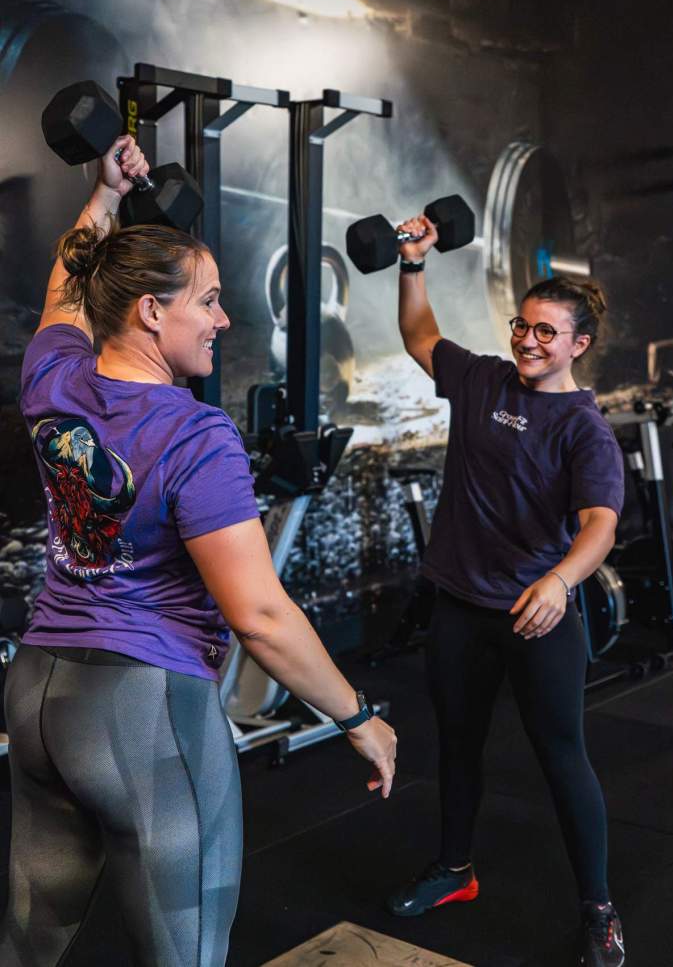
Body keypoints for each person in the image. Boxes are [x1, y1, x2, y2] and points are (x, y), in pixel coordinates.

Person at [0, 136, 396, 967]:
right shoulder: (194, 432)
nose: (224, 319)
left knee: (31, 941)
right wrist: (358, 716)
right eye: (208, 302)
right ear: (150, 308)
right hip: (142, 709)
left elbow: (64, 290)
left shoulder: (52, 376)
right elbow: (258, 614)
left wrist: (104, 196)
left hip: (38, 692)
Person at [387, 213, 625, 967]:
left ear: (579, 344)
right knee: (457, 746)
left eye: (547, 333)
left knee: (562, 758)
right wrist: (412, 264)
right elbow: (421, 335)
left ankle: (599, 910)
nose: (528, 340)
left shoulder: (584, 429)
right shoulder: (484, 377)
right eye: (523, 326)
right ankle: (456, 871)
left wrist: (559, 581)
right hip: (459, 605)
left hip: (536, 615)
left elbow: (599, 526)